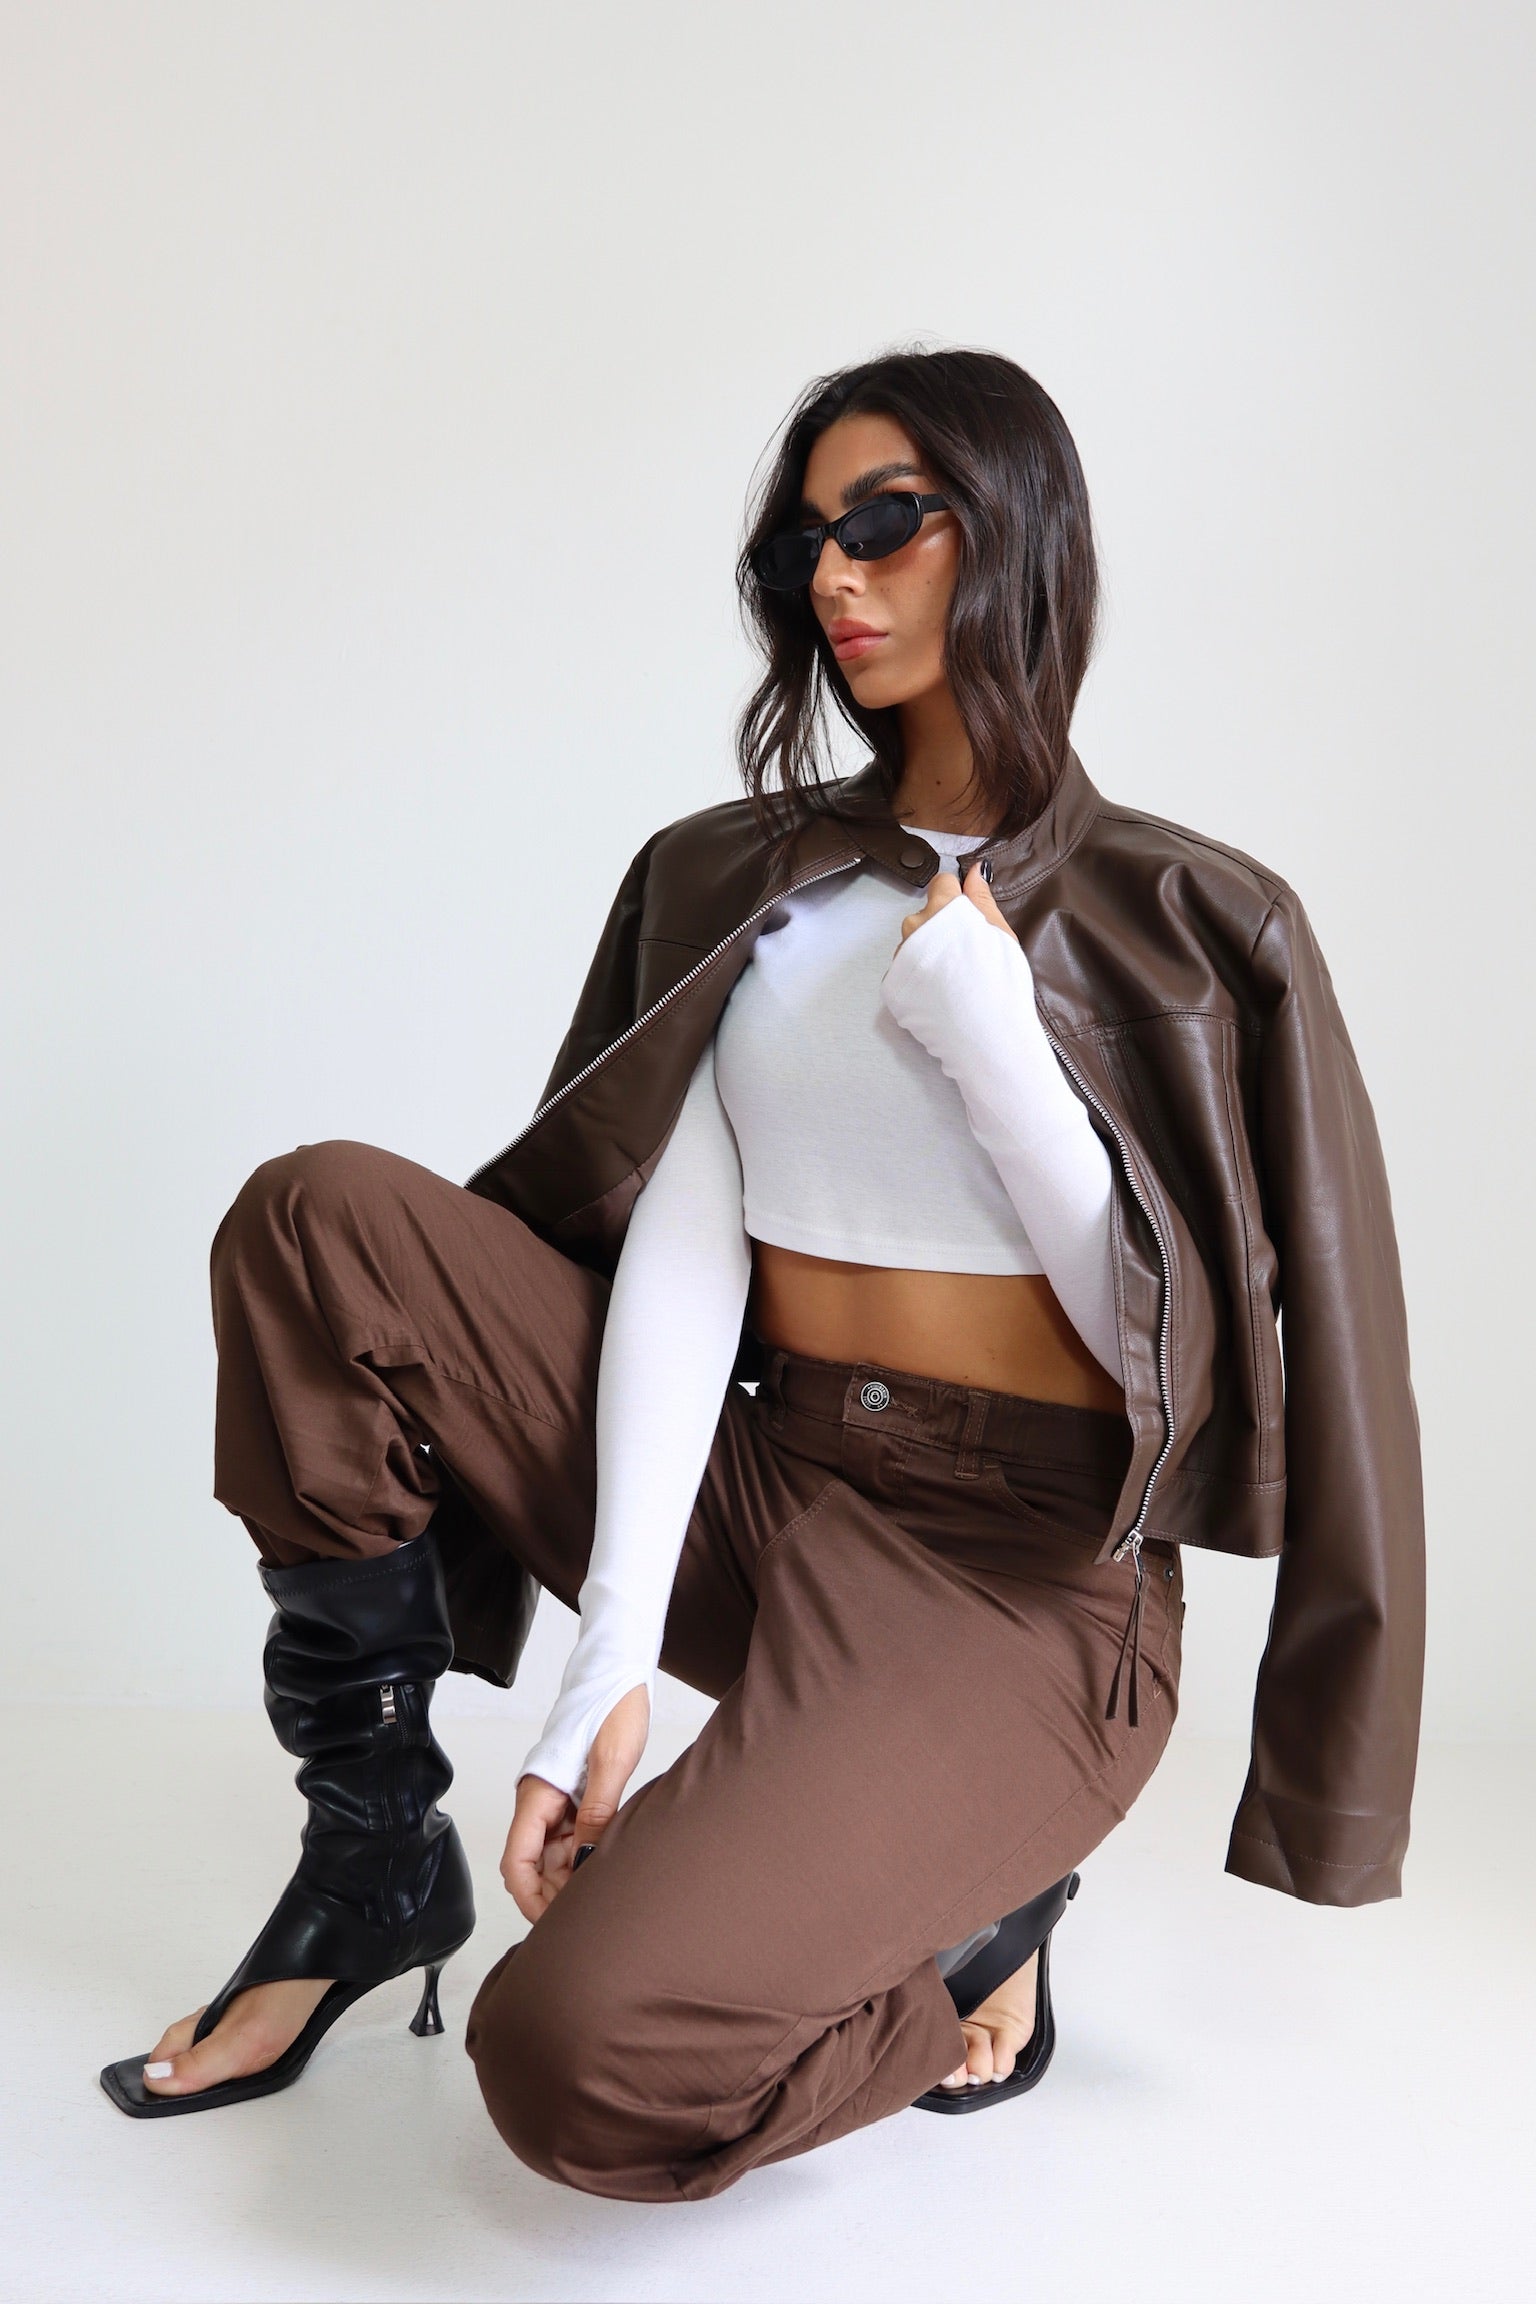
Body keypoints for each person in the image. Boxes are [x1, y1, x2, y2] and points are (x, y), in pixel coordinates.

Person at [100, 348, 1425, 2201]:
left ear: (1019, 529)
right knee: (322, 1221)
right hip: (764, 1481)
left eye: (886, 523)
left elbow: (1267, 1365)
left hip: (1021, 1589)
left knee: (568, 2063)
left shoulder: (1199, 916)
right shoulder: (738, 873)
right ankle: (372, 1862)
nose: (834, 577)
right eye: (808, 542)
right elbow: (682, 1250)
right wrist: (605, 1666)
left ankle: (969, 1940)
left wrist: (999, 1051)